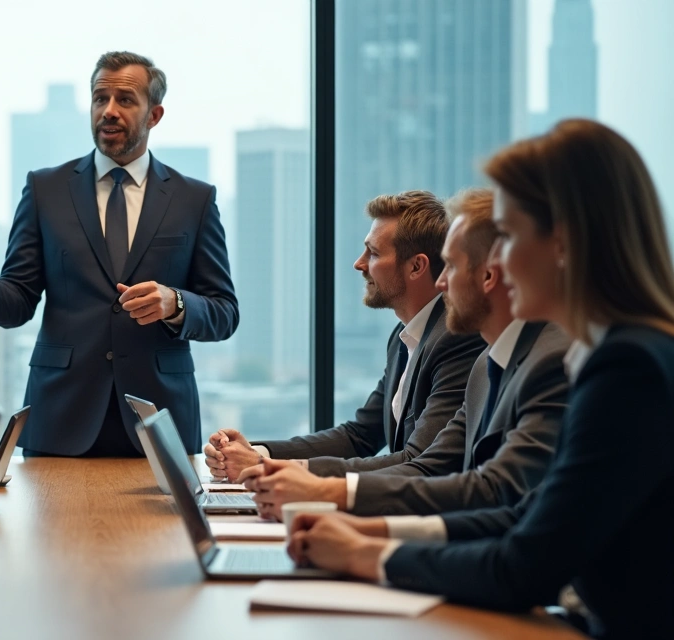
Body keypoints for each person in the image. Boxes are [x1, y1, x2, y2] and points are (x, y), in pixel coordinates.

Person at [288, 119, 674, 639]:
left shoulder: (627, 368)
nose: (501, 260)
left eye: (510, 236)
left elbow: (524, 563)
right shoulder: (617, 353)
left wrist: (371, 555)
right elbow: (522, 516)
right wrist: (370, 535)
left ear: (562, 244)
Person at [0, 51, 238, 456]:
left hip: (159, 420)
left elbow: (224, 312)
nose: (109, 111)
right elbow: (18, 302)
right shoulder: (45, 190)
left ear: (154, 115)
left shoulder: (194, 199)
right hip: (60, 416)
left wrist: (174, 303)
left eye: (125, 100)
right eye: (99, 98)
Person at [239, 189, 569, 518]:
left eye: (451, 266)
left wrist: (322, 491)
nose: (441, 282)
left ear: (490, 275)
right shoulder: (477, 360)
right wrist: (271, 462)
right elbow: (418, 462)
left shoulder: (528, 356)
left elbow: (482, 489)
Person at [206, 191, 484, 478]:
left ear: (416, 266)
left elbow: (420, 460)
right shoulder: (404, 336)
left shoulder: (455, 338)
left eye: (373, 253)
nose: (359, 263)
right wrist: (258, 453)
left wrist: (268, 468)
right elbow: (360, 436)